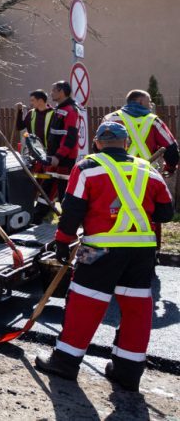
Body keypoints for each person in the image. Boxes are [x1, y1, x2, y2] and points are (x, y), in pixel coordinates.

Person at [35, 122, 173, 391]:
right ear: (125, 144)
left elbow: (73, 209)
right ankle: (128, 371)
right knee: (136, 309)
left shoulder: (87, 167)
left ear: (97, 143)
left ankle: (65, 363)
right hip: (142, 252)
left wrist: (62, 243)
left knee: (84, 305)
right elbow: (165, 213)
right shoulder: (148, 170)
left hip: (98, 249)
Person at [33, 80, 80, 222]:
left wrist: (58, 156)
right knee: (47, 188)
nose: (51, 93)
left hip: (63, 159)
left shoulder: (71, 111)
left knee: (64, 191)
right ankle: (37, 217)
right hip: (54, 157)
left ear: (61, 92)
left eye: (53, 90)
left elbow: (70, 138)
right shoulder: (59, 109)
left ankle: (68, 222)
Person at [103, 89, 178, 174]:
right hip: (148, 175)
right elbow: (171, 149)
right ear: (141, 101)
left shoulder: (110, 119)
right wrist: (169, 169)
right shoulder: (154, 121)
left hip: (115, 174)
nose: (151, 105)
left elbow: (99, 146)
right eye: (149, 101)